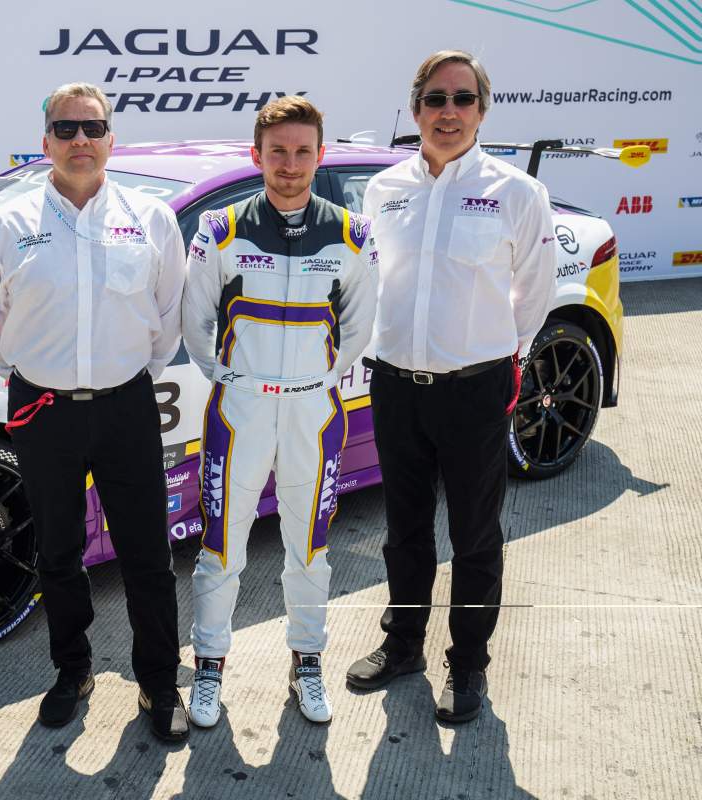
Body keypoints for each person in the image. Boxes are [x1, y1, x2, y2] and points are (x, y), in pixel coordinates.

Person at [0, 82, 190, 741]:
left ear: (111, 140)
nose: (80, 141)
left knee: (148, 555)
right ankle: (73, 671)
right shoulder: (7, 227)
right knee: (58, 552)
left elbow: (167, 322)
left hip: (125, 406)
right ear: (45, 144)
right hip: (43, 410)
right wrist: (49, 378)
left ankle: (157, 684)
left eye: (92, 128)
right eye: (65, 129)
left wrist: (116, 380)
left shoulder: (151, 220)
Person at [345, 50, 556, 723]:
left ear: (482, 110)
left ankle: (468, 667)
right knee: (404, 530)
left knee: (474, 534)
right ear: (416, 109)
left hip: (475, 388)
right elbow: (373, 280)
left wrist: (498, 355)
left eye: (463, 99)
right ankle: (403, 643)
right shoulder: (386, 189)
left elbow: (536, 291)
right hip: (396, 387)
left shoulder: (515, 192)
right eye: (436, 99)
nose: (448, 111)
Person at [181, 96, 377, 727]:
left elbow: (358, 327)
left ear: (320, 156)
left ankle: (307, 661)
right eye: (277, 153)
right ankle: (209, 665)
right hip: (238, 411)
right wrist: (234, 378)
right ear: (256, 155)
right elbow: (195, 319)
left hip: (312, 414)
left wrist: (307, 382)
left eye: (302, 152)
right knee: (221, 544)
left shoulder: (352, 233)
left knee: (310, 545)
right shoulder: (220, 229)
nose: (289, 166)